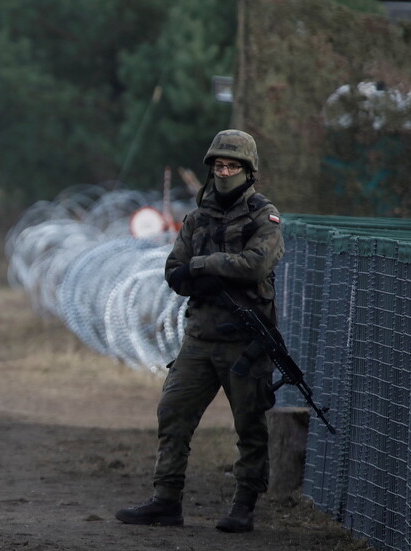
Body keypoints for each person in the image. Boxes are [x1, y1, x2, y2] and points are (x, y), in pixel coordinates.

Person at [114, 129, 284, 533]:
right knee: (172, 415)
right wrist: (205, 270)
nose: (224, 172)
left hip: (245, 343)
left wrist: (205, 266)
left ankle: (243, 506)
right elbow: (174, 271)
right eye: (219, 165)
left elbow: (257, 265)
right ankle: (166, 501)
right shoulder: (197, 218)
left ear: (248, 170)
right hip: (200, 339)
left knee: (250, 426)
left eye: (233, 166)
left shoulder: (263, 215)